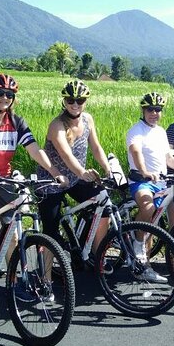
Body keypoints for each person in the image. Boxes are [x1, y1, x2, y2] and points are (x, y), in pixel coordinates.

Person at [0, 73, 67, 272]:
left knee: (13, 232)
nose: (4, 98)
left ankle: (15, 280)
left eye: (9, 95)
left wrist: (54, 172)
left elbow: (34, 149)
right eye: (0, 93)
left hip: (2, 177)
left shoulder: (17, 123)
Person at [36, 80, 112, 270]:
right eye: (70, 100)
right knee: (51, 233)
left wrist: (107, 169)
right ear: (64, 101)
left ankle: (97, 256)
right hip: (52, 180)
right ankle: (45, 279)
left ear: (85, 101)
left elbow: (95, 147)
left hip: (76, 179)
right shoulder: (57, 125)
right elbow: (66, 155)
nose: (75, 104)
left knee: (104, 207)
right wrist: (83, 172)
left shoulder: (88, 119)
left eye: (80, 100)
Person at [126, 92, 174, 283]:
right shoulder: (136, 130)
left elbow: (168, 158)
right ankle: (137, 241)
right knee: (148, 208)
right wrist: (144, 171)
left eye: (158, 110)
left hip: (160, 182)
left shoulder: (160, 132)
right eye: (150, 109)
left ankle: (145, 266)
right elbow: (136, 151)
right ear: (143, 110)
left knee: (154, 223)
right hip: (140, 181)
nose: (154, 113)